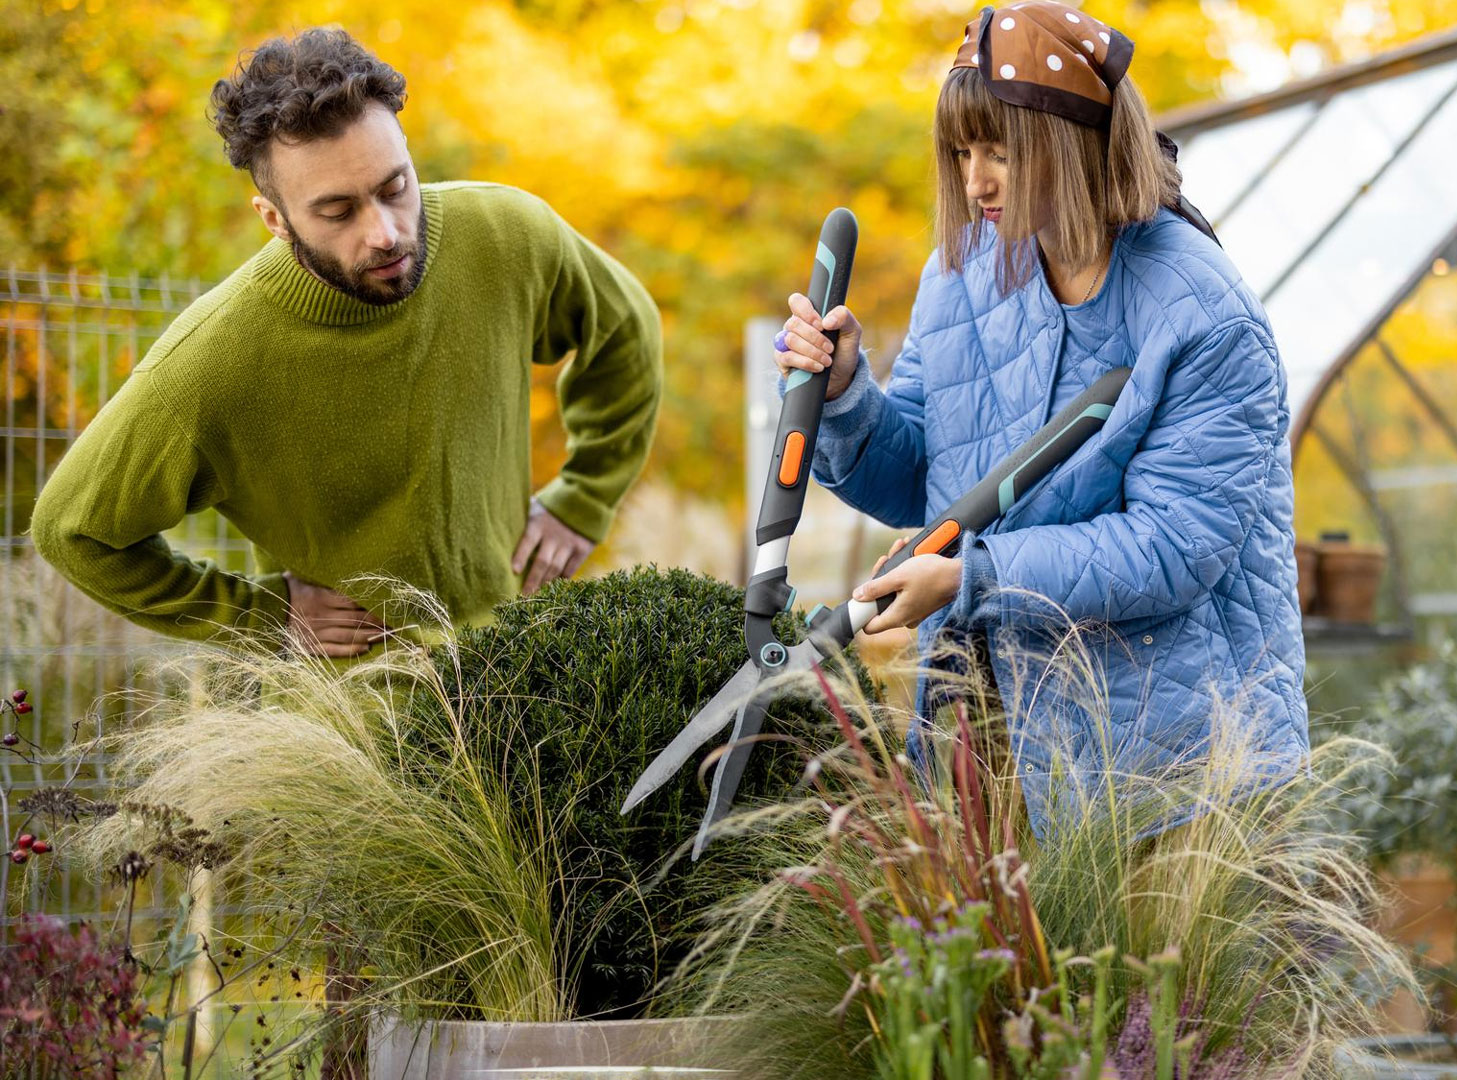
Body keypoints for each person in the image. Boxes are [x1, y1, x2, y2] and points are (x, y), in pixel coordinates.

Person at [774, 2, 1306, 834]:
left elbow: (1174, 546)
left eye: (1001, 152)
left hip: (1171, 772)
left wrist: (970, 577)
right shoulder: (962, 273)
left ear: (1070, 141)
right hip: (985, 736)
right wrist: (845, 393)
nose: (976, 181)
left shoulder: (1202, 311)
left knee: (1158, 973)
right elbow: (926, 477)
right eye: (962, 152)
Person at [31, 28, 662, 658]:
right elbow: (72, 531)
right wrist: (264, 616)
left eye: (395, 187)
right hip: (354, 723)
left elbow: (626, 326)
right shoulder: (211, 362)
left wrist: (584, 498)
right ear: (274, 219)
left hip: (522, 663)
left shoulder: (504, 234)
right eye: (338, 211)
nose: (386, 233)